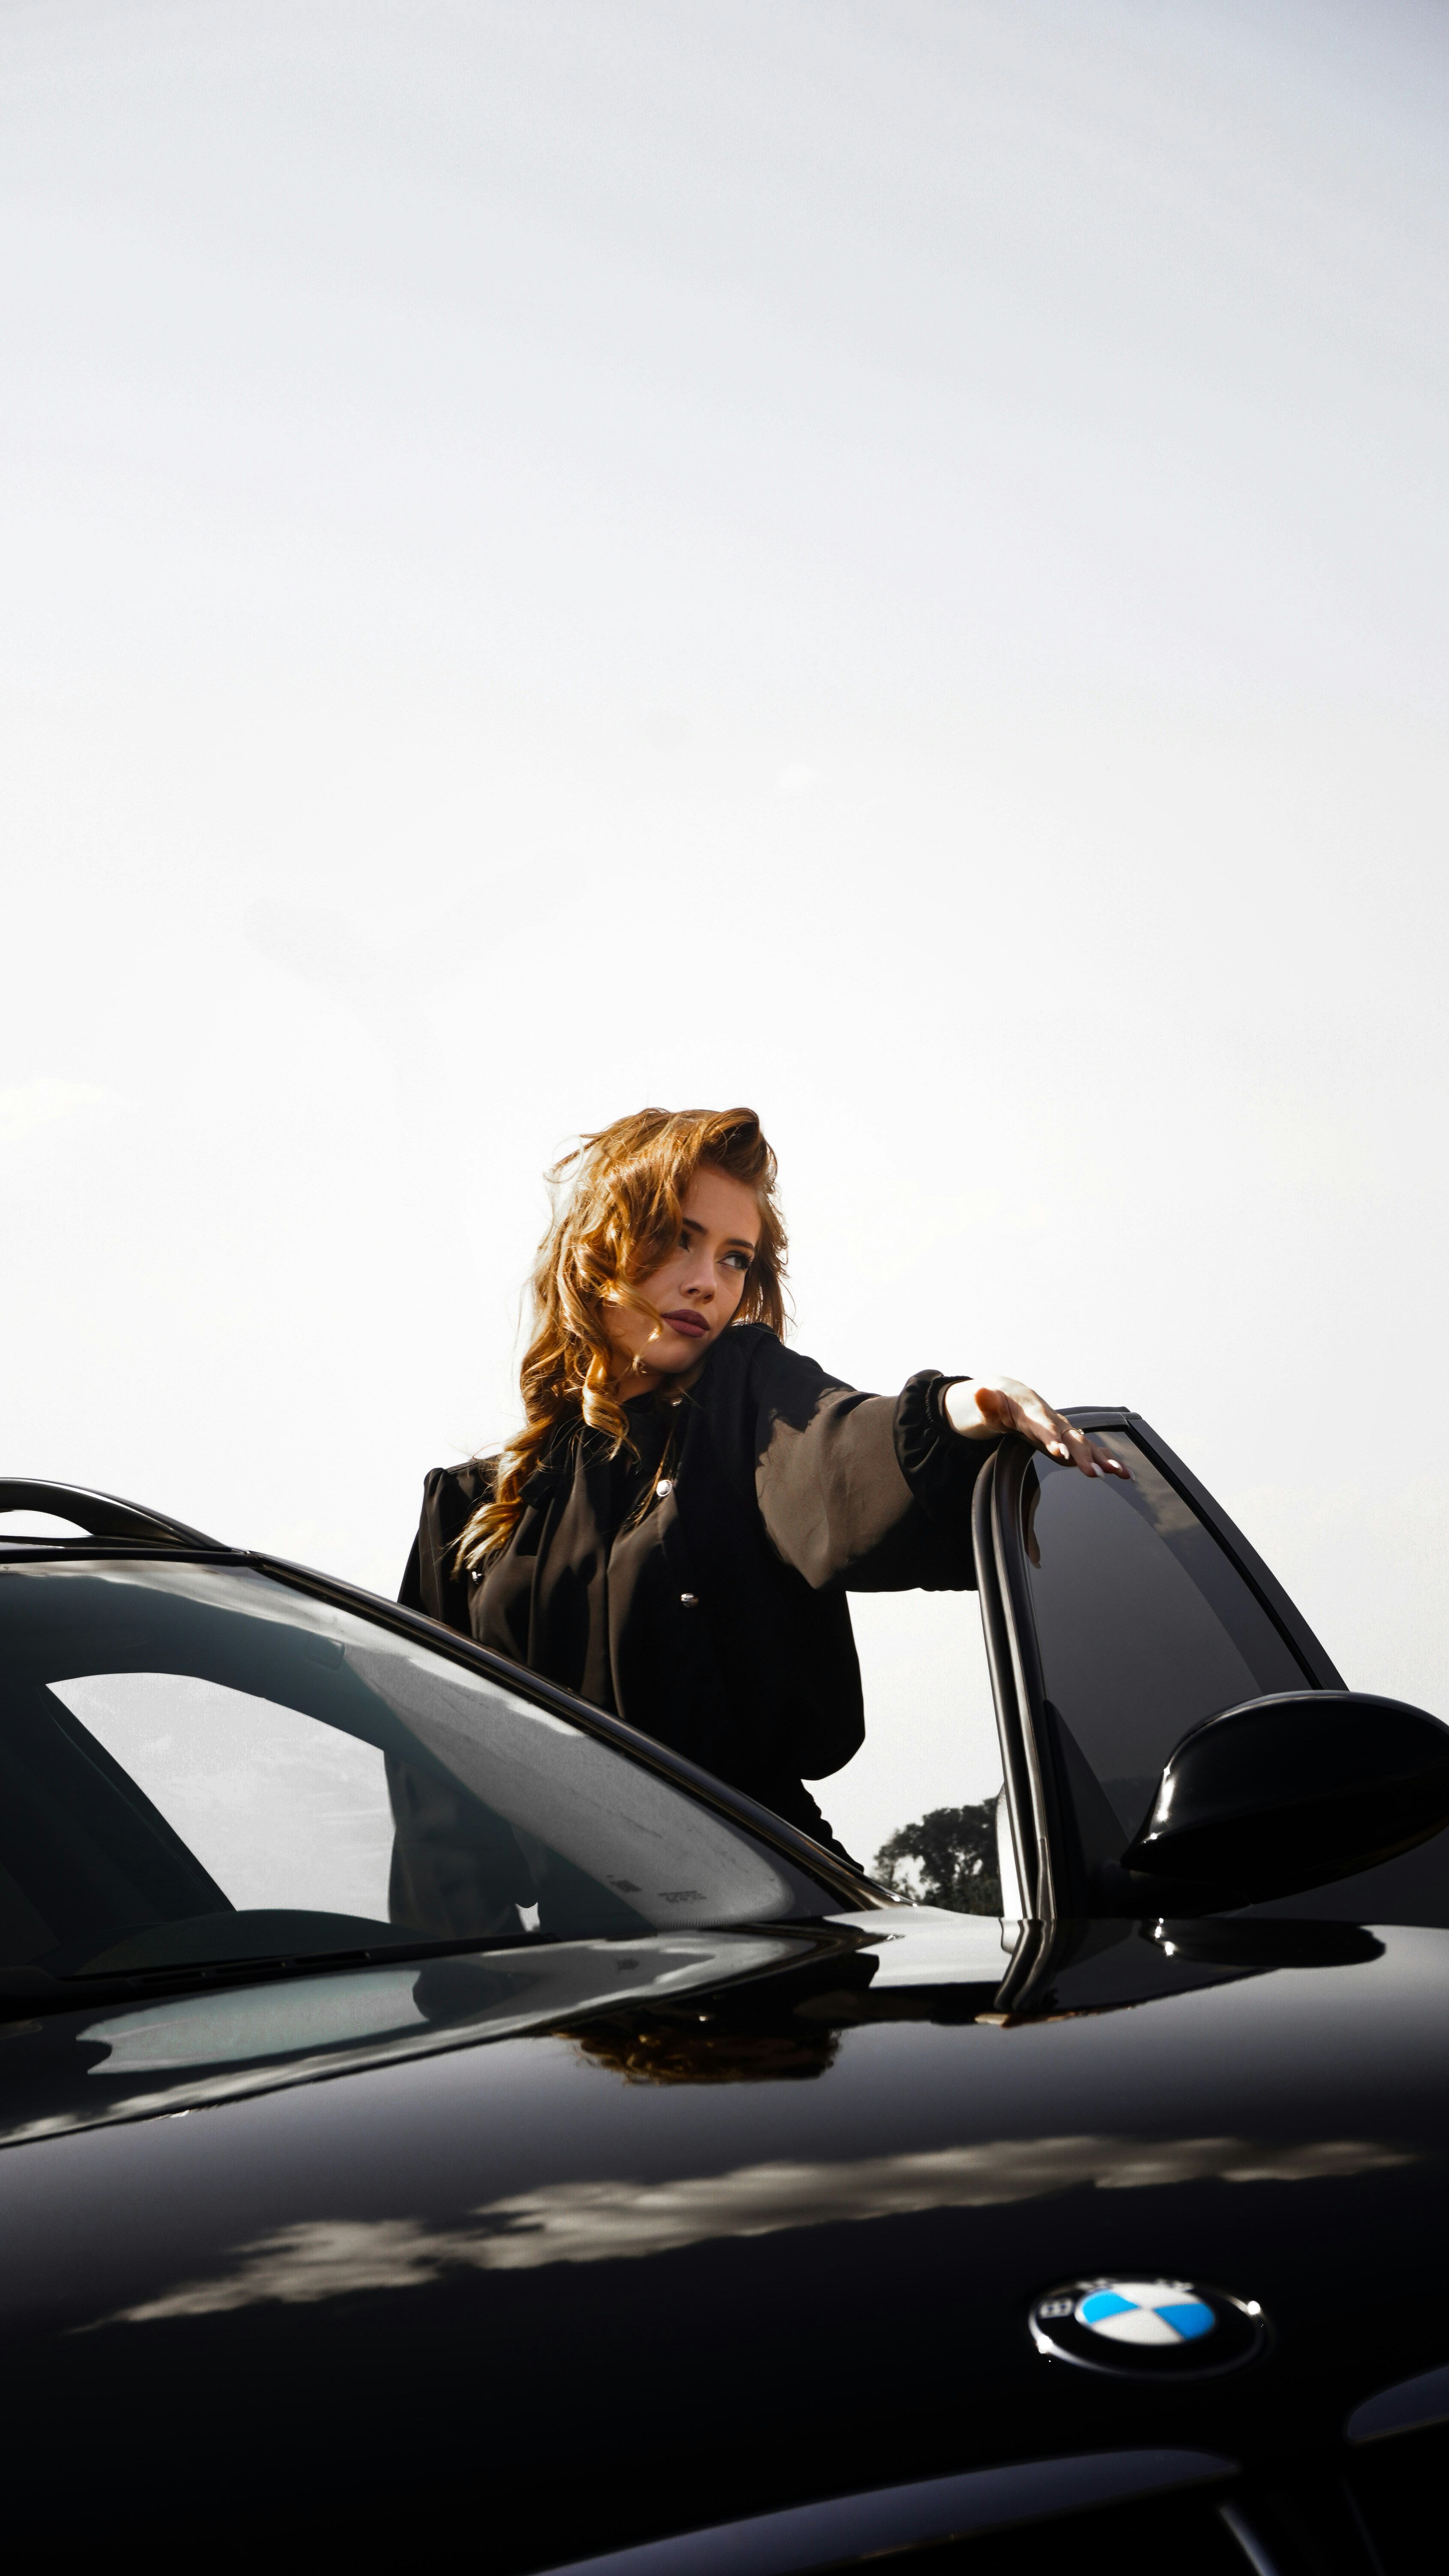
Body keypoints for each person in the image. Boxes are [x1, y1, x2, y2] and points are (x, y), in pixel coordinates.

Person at [400, 1106, 1126, 1863]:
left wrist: (960, 1408)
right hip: (569, 1957)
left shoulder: (743, 1398)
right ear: (598, 1244)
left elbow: (835, 1444)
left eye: (735, 1258)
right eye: (681, 1238)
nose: (708, 1283)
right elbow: (435, 1813)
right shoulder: (467, 1509)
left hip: (780, 1901)